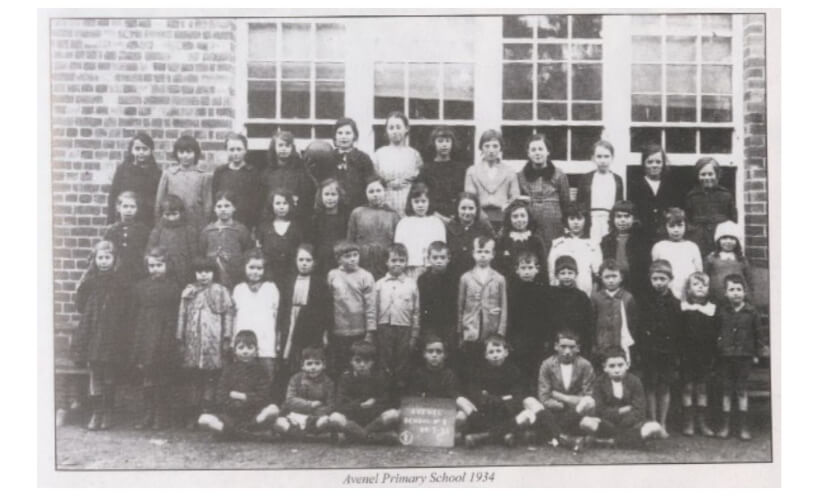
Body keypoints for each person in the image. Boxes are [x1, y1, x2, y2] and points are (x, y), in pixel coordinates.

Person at [70, 240, 132, 430]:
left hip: (112, 335)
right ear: (94, 260)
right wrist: (83, 284)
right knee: (95, 372)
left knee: (109, 374)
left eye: (108, 258)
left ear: (115, 259)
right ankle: (96, 412)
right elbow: (80, 306)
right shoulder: (90, 281)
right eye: (100, 258)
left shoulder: (121, 282)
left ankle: (107, 412)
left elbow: (127, 310)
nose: (104, 261)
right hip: (93, 333)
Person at [176, 257, 234, 428]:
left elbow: (228, 316)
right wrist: (180, 339)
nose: (203, 276)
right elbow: (182, 316)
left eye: (207, 272)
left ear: (213, 273)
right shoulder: (189, 292)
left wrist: (226, 338)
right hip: (193, 343)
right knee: (194, 379)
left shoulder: (221, 291)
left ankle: (207, 412)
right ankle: (192, 414)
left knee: (211, 378)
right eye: (200, 272)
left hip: (213, 343)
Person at [130, 247, 181, 430]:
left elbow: (175, 315)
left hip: (164, 335)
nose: (155, 269)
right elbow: (136, 313)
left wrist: (171, 337)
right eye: (152, 266)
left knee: (163, 376)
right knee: (148, 376)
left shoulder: (174, 287)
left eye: (159, 265)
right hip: (145, 335)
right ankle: (148, 413)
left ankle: (161, 414)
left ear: (167, 266)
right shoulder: (141, 287)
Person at [462, 334, 543, 448]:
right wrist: (501, 398)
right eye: (491, 352)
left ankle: (483, 437)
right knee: (472, 412)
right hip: (487, 412)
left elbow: (517, 395)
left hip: (507, 412)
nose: (495, 355)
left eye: (498, 351)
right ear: (485, 355)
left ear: (506, 353)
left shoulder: (513, 371)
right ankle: (508, 434)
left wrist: (492, 397)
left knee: (526, 415)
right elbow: (476, 394)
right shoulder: (479, 371)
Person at [197, 330, 281, 440]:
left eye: (250, 348)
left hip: (253, 415)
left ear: (256, 350)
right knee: (203, 419)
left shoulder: (261, 371)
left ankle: (236, 433)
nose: (245, 352)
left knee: (273, 409)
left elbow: (263, 397)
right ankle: (244, 434)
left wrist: (242, 396)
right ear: (235, 351)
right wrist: (236, 405)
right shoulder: (229, 370)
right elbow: (221, 397)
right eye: (241, 348)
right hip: (231, 416)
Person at [579, 346, 665, 448]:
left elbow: (639, 410)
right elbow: (600, 410)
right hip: (607, 424)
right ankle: (625, 441)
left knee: (654, 428)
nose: (617, 370)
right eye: (612, 366)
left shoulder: (635, 382)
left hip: (630, 425)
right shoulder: (600, 383)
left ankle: (610, 441)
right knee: (586, 422)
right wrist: (620, 411)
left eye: (620, 365)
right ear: (604, 367)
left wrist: (623, 421)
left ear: (627, 365)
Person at [715, 274, 765, 441]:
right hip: (726, 357)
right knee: (726, 390)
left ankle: (743, 427)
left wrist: (757, 354)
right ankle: (725, 426)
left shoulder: (751, 313)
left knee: (742, 390)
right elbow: (717, 333)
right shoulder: (722, 312)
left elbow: (759, 335)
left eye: (739, 289)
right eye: (731, 289)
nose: (735, 293)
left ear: (744, 292)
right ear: (726, 293)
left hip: (744, 357)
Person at [637, 259, 682, 437]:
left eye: (663, 278)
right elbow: (639, 327)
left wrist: (676, 351)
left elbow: (679, 330)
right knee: (650, 386)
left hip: (668, 352)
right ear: (650, 279)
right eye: (655, 278)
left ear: (670, 279)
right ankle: (652, 421)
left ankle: (663, 423)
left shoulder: (675, 303)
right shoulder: (644, 301)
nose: (659, 282)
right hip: (649, 351)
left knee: (664, 387)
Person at [398, 335, 474, 435]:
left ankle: (449, 435)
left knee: (461, 416)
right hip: (424, 414)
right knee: (399, 413)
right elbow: (414, 399)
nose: (434, 355)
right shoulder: (418, 374)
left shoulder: (449, 375)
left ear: (445, 355)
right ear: (424, 354)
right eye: (430, 351)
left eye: (439, 352)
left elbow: (454, 397)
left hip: (443, 415)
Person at [277, 244, 332, 377]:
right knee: (289, 354)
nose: (304, 264)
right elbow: (283, 306)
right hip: (291, 320)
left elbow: (325, 311)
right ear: (295, 261)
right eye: (301, 260)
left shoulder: (320, 283)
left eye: (308, 260)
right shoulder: (288, 281)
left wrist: (324, 333)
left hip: (310, 323)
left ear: (314, 262)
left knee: (307, 353)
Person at [536, 331, 597, 451]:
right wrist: (564, 404)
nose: (567, 351)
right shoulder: (547, 365)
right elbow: (544, 398)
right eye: (563, 346)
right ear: (556, 346)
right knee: (533, 403)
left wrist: (559, 396)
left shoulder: (585, 365)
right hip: (555, 412)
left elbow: (587, 395)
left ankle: (554, 433)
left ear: (578, 348)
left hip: (577, 412)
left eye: (572, 347)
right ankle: (565, 437)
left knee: (589, 402)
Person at [329, 340, 399, 445]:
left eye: (367, 361)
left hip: (374, 419)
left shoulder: (380, 376)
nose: (362, 365)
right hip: (353, 418)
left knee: (394, 414)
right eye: (358, 361)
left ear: (373, 362)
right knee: (335, 417)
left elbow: (387, 400)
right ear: (351, 361)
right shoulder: (346, 377)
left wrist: (374, 401)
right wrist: (359, 405)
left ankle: (353, 436)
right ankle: (371, 437)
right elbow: (340, 404)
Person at [326, 240, 377, 377]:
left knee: (358, 363)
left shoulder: (366, 276)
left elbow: (371, 305)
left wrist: (370, 331)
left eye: (355, 255)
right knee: (340, 364)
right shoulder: (332, 275)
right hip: (339, 330)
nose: (353, 259)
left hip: (359, 330)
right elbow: (328, 302)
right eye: (347, 256)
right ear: (338, 259)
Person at [231, 249, 280, 384]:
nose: (255, 272)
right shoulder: (239, 289)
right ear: (244, 268)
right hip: (244, 339)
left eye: (259, 268)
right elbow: (234, 316)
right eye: (251, 267)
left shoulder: (271, 288)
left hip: (265, 340)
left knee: (266, 376)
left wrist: (277, 341)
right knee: (243, 377)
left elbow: (276, 316)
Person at [679, 272, 718, 437]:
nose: (700, 287)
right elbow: (677, 334)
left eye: (704, 285)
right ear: (688, 289)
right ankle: (689, 422)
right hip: (687, 355)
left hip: (704, 356)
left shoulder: (712, 310)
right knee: (687, 387)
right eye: (696, 284)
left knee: (702, 388)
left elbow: (716, 335)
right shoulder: (684, 309)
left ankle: (702, 422)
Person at [457, 236, 508, 364]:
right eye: (479, 251)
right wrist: (460, 330)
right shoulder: (466, 278)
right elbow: (460, 306)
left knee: (489, 361)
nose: (483, 255)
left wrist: (501, 331)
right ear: (473, 253)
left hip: (491, 327)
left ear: (493, 254)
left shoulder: (499, 278)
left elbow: (504, 306)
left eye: (486, 252)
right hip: (471, 327)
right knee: (471, 361)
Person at [374, 243, 420, 379]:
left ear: (406, 263)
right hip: (384, 327)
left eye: (401, 261)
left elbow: (416, 311)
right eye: (394, 260)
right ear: (386, 262)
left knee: (402, 359)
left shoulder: (411, 284)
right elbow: (374, 308)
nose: (398, 264)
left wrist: (414, 333)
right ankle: (384, 390)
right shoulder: (379, 284)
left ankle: (400, 390)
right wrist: (374, 329)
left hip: (404, 327)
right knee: (384, 359)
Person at [309, 118, 376, 211]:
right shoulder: (328, 157)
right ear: (334, 136)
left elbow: (370, 183)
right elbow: (319, 182)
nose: (343, 137)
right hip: (333, 208)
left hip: (357, 206)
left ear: (355, 136)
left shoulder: (363, 158)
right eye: (340, 133)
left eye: (348, 133)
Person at [507, 251, 552, 387]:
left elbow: (546, 315)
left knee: (536, 366)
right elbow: (510, 315)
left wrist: (546, 337)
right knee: (519, 366)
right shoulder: (513, 290)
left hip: (537, 337)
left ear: (537, 269)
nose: (527, 272)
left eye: (530, 268)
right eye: (523, 268)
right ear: (517, 270)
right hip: (519, 337)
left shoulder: (543, 289)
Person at [516, 134, 571, 246]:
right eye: (533, 150)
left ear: (548, 152)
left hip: (553, 223)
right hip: (530, 223)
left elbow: (566, 203)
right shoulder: (521, 176)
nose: (537, 153)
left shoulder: (559, 175)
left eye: (541, 149)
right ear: (528, 153)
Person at [464, 129, 520, 233]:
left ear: (501, 148)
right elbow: (470, 199)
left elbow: (515, 199)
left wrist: (507, 217)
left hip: (504, 218)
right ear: (481, 147)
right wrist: (481, 217)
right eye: (487, 146)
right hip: (479, 218)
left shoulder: (509, 171)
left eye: (495, 146)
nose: (491, 150)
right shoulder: (472, 171)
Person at [346, 176, 400, 280]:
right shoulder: (357, 213)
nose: (375, 195)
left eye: (378, 191)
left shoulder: (393, 215)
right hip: (363, 261)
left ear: (385, 192)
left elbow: (397, 244)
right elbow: (350, 241)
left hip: (385, 261)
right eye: (371, 191)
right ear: (365, 193)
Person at [275, 347, 336, 439]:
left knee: (326, 420)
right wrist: (310, 405)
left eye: (317, 363)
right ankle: (296, 432)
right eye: (309, 364)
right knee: (279, 422)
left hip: (315, 417)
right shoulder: (296, 379)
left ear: (324, 365)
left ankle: (304, 431)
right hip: (294, 414)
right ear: (302, 366)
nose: (313, 367)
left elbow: (330, 405)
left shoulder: (328, 382)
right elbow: (290, 400)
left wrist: (315, 414)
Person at [627, 144, 683, 242]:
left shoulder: (670, 185)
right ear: (644, 164)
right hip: (642, 236)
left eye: (658, 162)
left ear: (663, 164)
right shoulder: (635, 185)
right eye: (650, 162)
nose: (654, 165)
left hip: (666, 236)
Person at [155, 135, 212, 230]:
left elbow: (207, 205)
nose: (185, 156)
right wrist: (159, 225)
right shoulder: (169, 174)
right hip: (172, 222)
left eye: (189, 152)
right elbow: (159, 202)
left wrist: (204, 226)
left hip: (195, 224)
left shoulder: (203, 176)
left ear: (195, 153)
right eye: (181, 152)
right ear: (176, 154)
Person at [373, 111, 423, 216]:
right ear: (386, 131)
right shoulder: (379, 154)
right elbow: (376, 179)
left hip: (407, 198)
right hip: (386, 198)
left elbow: (417, 179)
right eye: (391, 128)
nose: (395, 131)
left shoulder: (413, 154)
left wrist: (403, 184)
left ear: (406, 129)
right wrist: (387, 183)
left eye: (398, 127)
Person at [684, 156, 737, 257]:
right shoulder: (692, 196)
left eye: (710, 174)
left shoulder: (725, 195)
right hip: (699, 238)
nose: (707, 178)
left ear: (717, 175)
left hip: (719, 238)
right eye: (703, 174)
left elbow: (733, 220)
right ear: (698, 176)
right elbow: (688, 219)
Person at [599, 200, 652, 300]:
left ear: (634, 218)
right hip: (614, 283)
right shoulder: (607, 240)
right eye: (618, 216)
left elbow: (645, 266)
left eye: (627, 216)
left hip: (636, 285)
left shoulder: (642, 240)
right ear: (612, 219)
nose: (622, 220)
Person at [199, 191, 253, 290]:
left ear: (234, 208)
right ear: (214, 209)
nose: (223, 209)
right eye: (219, 206)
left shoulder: (241, 230)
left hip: (235, 277)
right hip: (213, 278)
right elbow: (202, 255)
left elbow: (248, 253)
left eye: (227, 206)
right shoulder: (207, 231)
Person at [547, 203, 602, 297]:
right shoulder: (558, 244)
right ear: (566, 221)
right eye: (572, 219)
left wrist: (594, 294)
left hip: (584, 289)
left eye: (579, 219)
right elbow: (552, 271)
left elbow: (597, 273)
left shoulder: (592, 245)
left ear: (586, 220)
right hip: (561, 291)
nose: (576, 222)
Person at [211, 132, 263, 232]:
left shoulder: (253, 173)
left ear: (245, 150)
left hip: (247, 222)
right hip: (224, 222)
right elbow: (214, 199)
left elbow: (258, 202)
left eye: (239, 149)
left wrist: (255, 226)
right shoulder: (220, 172)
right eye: (232, 149)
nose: (235, 153)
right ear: (226, 150)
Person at [590, 259, 639, 365]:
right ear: (601, 278)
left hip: (621, 343)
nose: (611, 280)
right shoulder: (596, 298)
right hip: (602, 344)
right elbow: (592, 322)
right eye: (607, 277)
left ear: (621, 277)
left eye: (614, 276)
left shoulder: (627, 297)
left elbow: (633, 323)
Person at [394, 181, 447, 279]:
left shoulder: (436, 223)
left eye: (423, 201)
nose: (420, 205)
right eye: (416, 201)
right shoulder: (404, 223)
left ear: (429, 202)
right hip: (410, 269)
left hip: (431, 268)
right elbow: (399, 249)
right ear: (411, 202)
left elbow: (441, 248)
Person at [107, 131, 161, 226]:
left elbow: (158, 199)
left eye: (145, 149)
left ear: (151, 151)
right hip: (125, 217)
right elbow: (113, 195)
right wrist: (110, 221)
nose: (141, 152)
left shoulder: (156, 173)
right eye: (137, 149)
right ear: (131, 150)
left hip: (147, 220)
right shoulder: (123, 170)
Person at [262, 130, 316, 224]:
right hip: (272, 219)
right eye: (280, 145)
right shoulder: (267, 173)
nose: (284, 149)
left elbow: (307, 197)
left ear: (292, 148)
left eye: (287, 146)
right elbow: (263, 198)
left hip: (296, 219)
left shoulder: (300, 172)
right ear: (274, 147)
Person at [575, 140, 624, 244]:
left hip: (609, 221)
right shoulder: (586, 178)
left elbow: (619, 204)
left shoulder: (617, 179)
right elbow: (580, 203)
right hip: (591, 221)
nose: (603, 160)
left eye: (606, 156)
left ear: (612, 158)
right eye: (599, 156)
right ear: (593, 158)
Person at [146, 194, 199, 289]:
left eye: (174, 214)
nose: (171, 218)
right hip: (163, 270)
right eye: (167, 215)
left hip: (184, 270)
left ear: (181, 213)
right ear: (162, 214)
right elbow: (149, 251)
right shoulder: (158, 230)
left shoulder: (188, 230)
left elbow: (194, 254)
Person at [416, 125, 468, 221]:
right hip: (433, 216)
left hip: (456, 217)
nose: (444, 145)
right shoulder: (426, 169)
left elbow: (463, 195)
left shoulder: (460, 169)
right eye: (440, 141)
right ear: (433, 143)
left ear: (452, 143)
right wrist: (437, 216)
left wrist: (456, 215)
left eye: (447, 141)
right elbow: (422, 195)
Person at [545, 255, 594, 356]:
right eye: (562, 273)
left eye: (570, 273)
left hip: (576, 340)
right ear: (556, 275)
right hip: (556, 339)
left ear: (576, 274)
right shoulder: (551, 294)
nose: (566, 276)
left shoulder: (581, 296)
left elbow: (588, 321)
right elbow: (547, 318)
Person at [651, 208, 703, 301]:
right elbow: (655, 272)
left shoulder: (692, 246)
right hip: (667, 293)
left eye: (680, 226)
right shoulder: (659, 247)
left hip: (688, 293)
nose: (676, 230)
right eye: (672, 226)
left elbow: (699, 273)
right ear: (665, 227)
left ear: (685, 226)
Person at [417, 241, 459, 353]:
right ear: (429, 259)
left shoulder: (454, 278)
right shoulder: (423, 280)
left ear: (448, 259)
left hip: (449, 323)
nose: (439, 261)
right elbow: (421, 305)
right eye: (435, 258)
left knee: (450, 350)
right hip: (430, 324)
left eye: (442, 257)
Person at [258, 189, 304, 286]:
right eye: (278, 203)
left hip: (291, 274)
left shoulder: (296, 227)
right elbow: (260, 250)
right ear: (271, 205)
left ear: (290, 205)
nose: (281, 207)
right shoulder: (264, 227)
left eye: (285, 203)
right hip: (270, 275)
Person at [495, 199, 548, 280]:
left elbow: (543, 266)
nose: (519, 220)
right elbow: (498, 266)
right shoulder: (503, 240)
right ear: (509, 219)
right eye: (515, 216)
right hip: (510, 285)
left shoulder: (536, 240)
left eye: (523, 216)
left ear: (529, 217)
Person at [104, 190, 151, 283]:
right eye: (125, 206)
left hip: (137, 275)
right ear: (118, 208)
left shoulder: (143, 230)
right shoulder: (112, 230)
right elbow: (106, 251)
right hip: (116, 275)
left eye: (132, 207)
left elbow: (147, 253)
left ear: (137, 209)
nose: (128, 210)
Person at [446, 192, 495, 277]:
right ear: (457, 209)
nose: (467, 212)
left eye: (471, 208)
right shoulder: (450, 228)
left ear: (477, 209)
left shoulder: (484, 228)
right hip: (453, 274)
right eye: (463, 208)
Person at [705, 220, 753, 303]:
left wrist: (749, 297)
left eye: (732, 238)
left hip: (737, 297)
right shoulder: (711, 258)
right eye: (724, 238)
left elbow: (749, 280)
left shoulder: (741, 259)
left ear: (737, 241)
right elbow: (705, 277)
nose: (728, 241)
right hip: (717, 297)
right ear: (718, 241)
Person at [310, 178, 350, 278]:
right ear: (320, 196)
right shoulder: (316, 218)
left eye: (333, 194)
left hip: (339, 260)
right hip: (321, 260)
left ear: (339, 196)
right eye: (326, 194)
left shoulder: (345, 217)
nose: (330, 198)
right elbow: (312, 241)